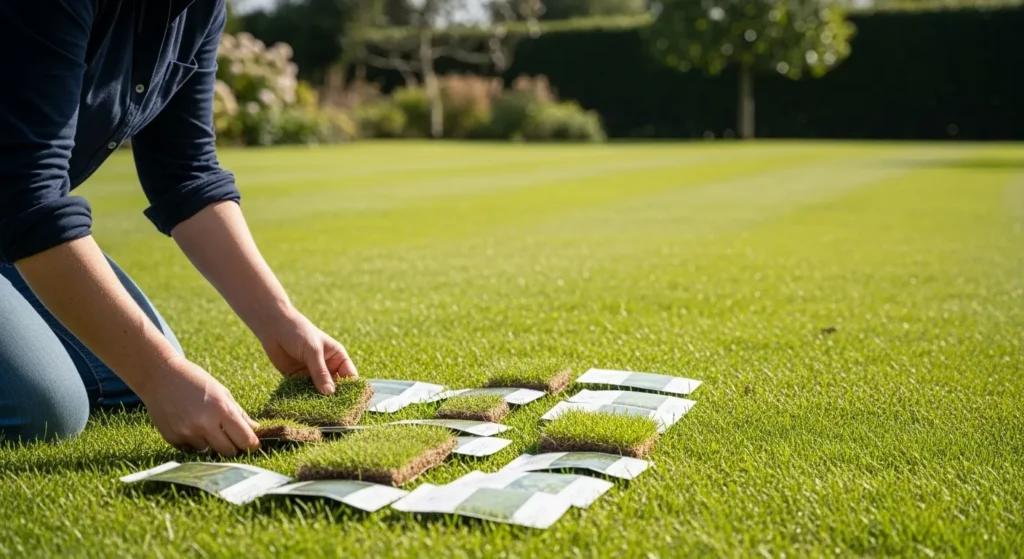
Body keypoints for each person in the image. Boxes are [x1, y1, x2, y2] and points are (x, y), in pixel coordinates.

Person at [0, 0, 357, 456]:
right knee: (46, 409)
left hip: (10, 225)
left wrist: (278, 317)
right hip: (15, 209)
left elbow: (185, 170)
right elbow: (28, 191)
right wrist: (159, 373)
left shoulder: (200, 9)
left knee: (135, 375)